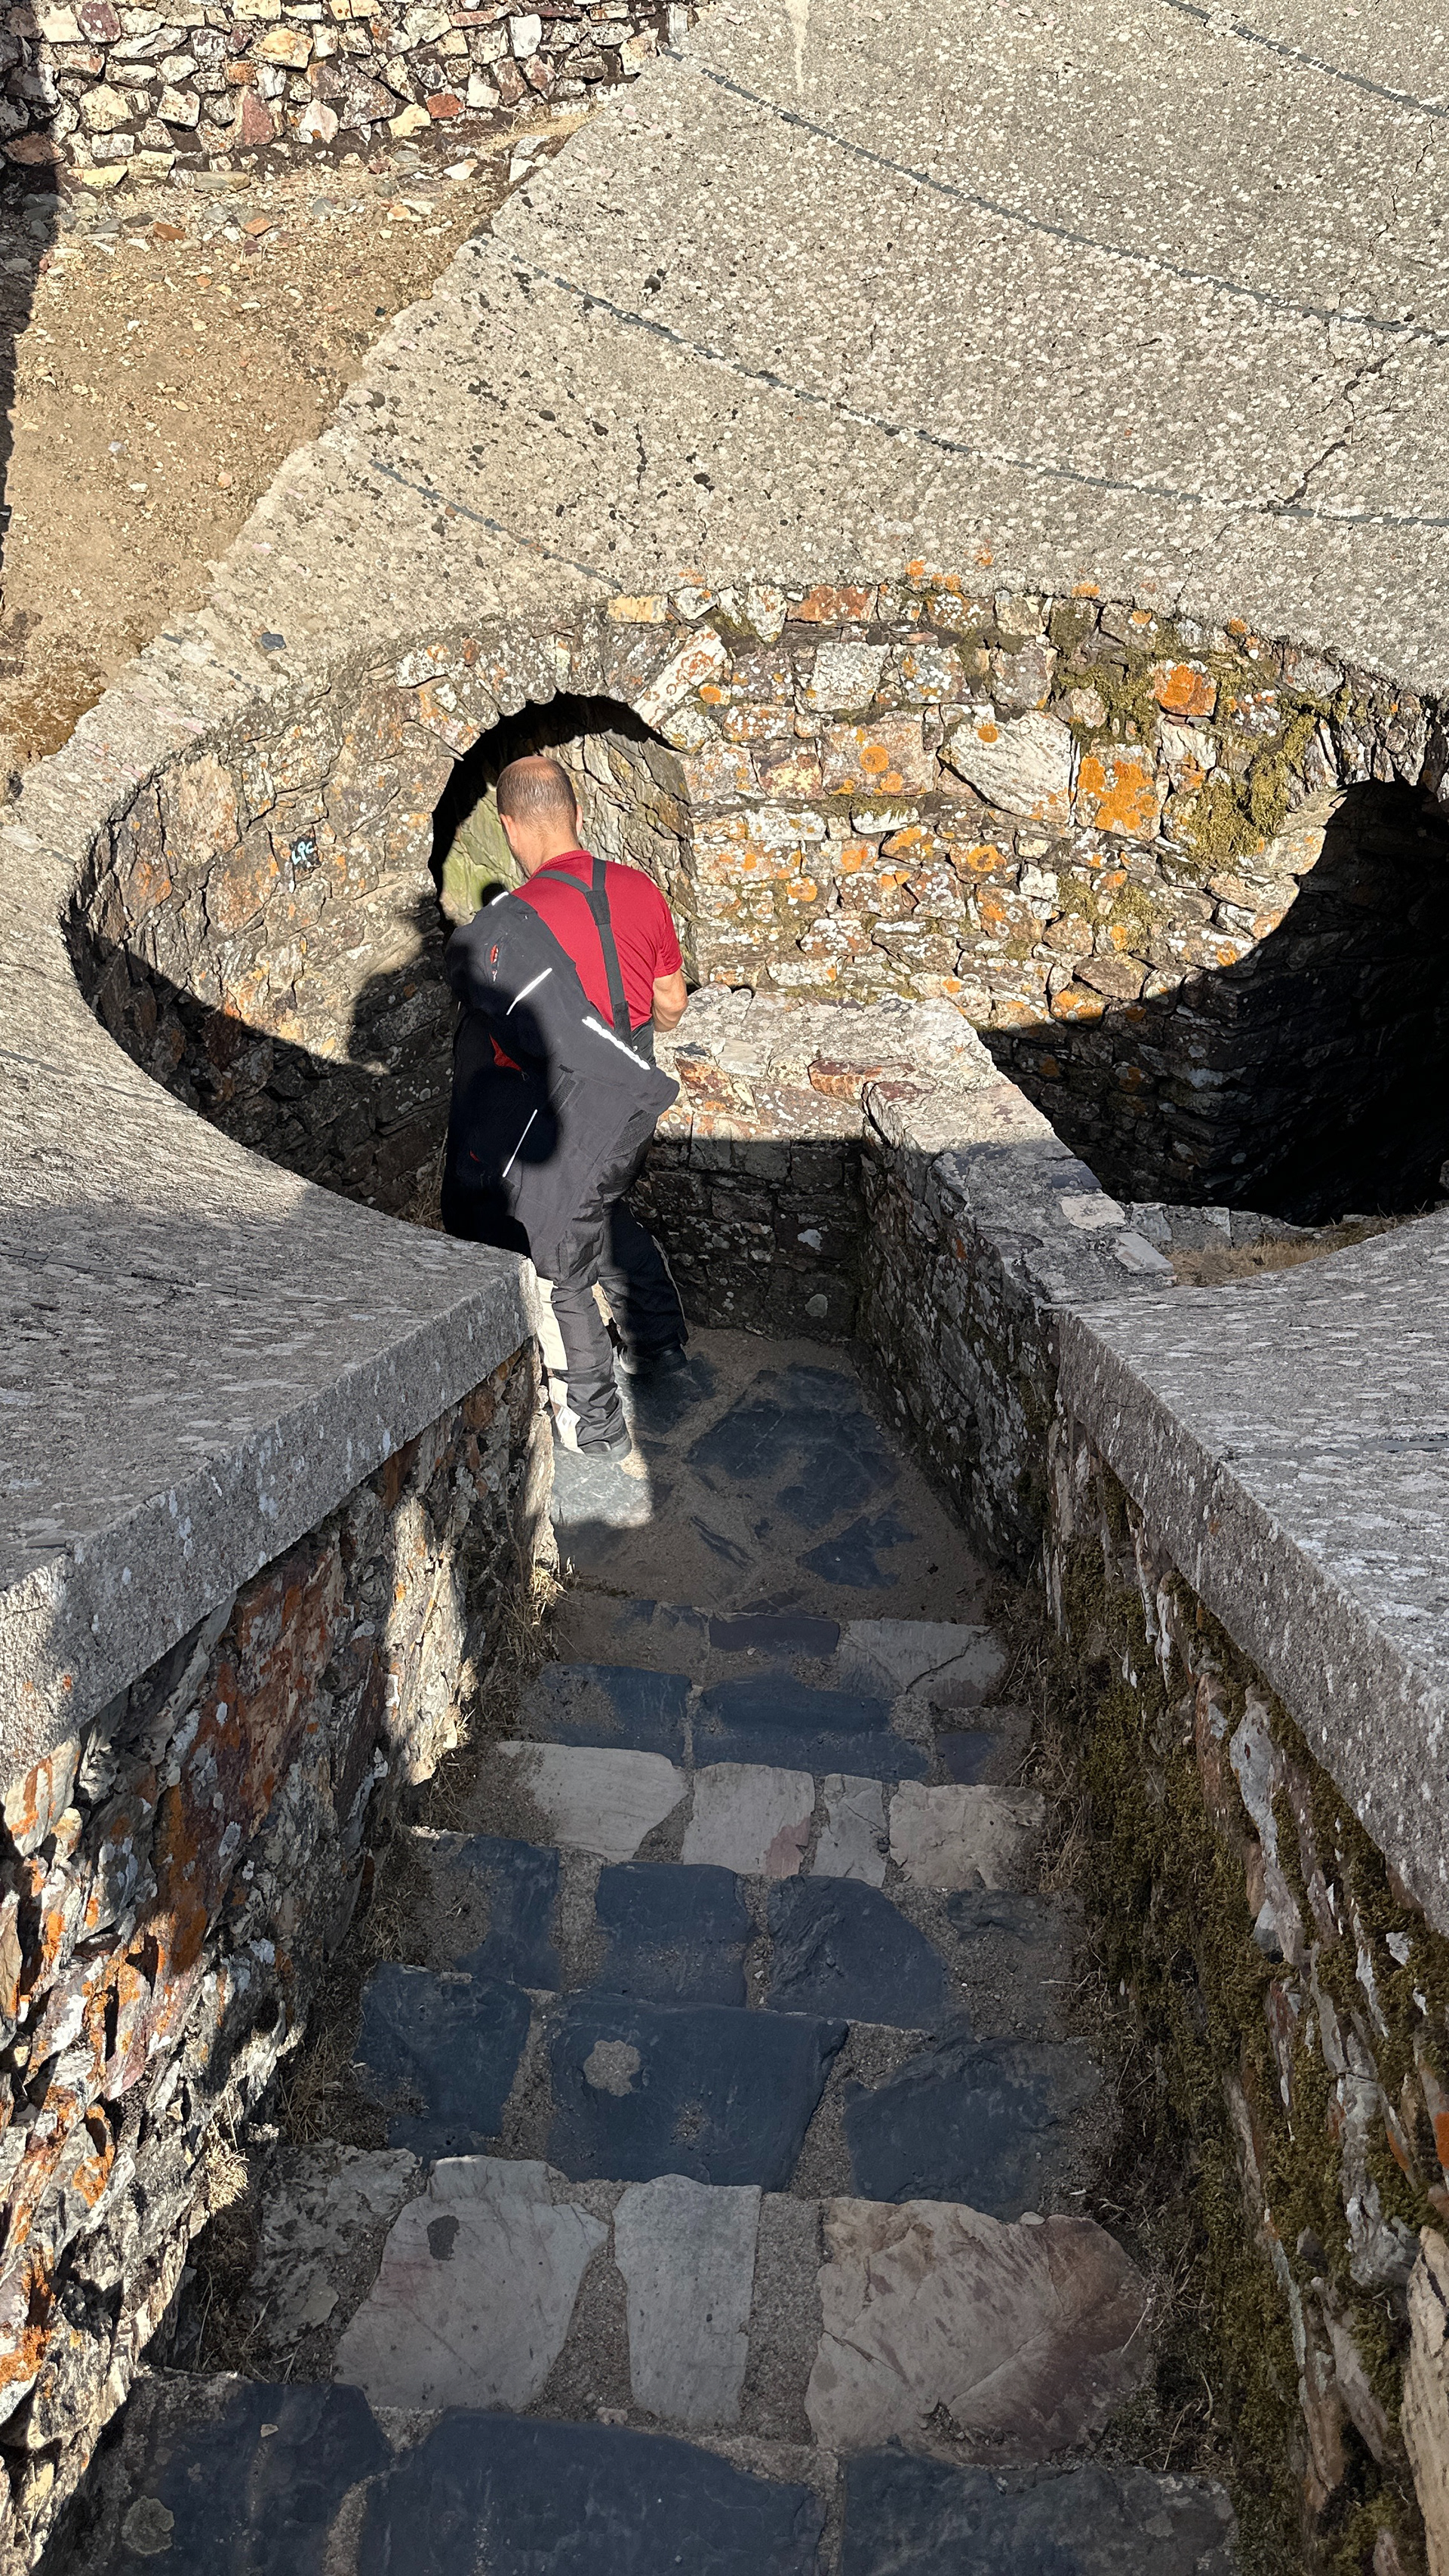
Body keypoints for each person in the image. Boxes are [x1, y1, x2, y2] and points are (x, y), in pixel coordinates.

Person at [440, 752, 691, 1462]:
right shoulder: (640, 890)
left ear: (511, 828)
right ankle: (660, 1341)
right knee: (603, 1209)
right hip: (634, 1101)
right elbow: (671, 1002)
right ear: (578, 813)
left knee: (560, 1260)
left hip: (563, 1109)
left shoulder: (516, 924)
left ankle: (595, 1431)